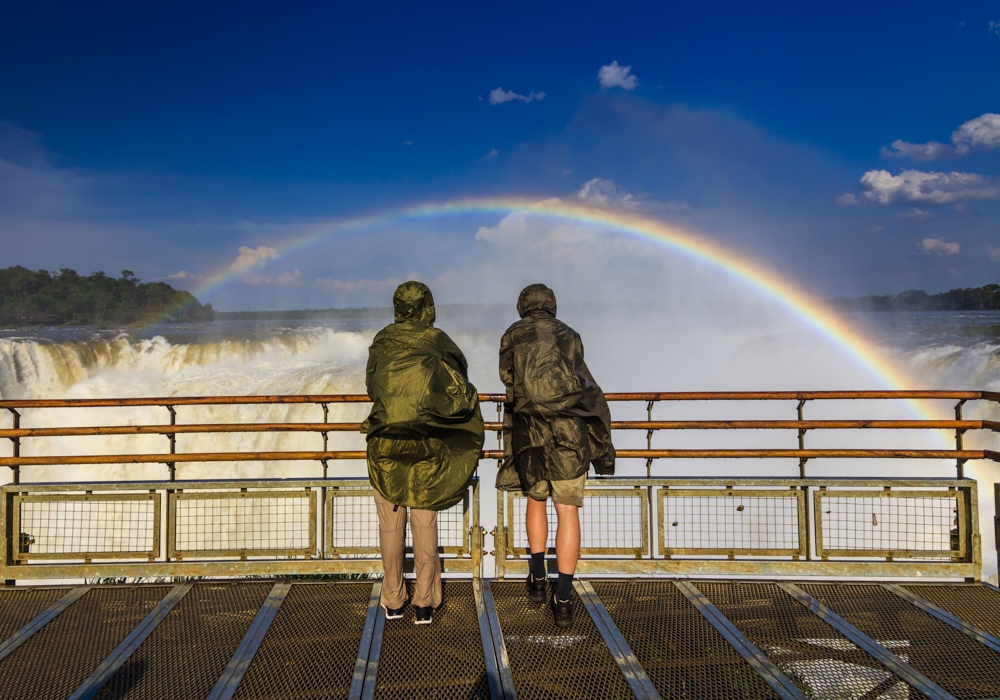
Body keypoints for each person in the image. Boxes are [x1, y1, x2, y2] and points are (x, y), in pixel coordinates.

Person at [362, 281, 485, 625]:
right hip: (428, 442)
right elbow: (460, 381)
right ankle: (425, 602)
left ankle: (393, 600)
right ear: (428, 306)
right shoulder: (436, 341)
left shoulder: (382, 341)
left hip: (385, 442)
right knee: (424, 520)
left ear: (397, 307)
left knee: (390, 525)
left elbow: (372, 386)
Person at [496, 283, 615, 628]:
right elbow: (582, 382)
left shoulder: (512, 335)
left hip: (529, 431)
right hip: (568, 433)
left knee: (535, 501)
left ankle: (536, 579)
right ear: (551, 305)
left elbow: (507, 376)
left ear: (523, 306)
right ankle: (563, 598)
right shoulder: (570, 335)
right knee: (567, 511)